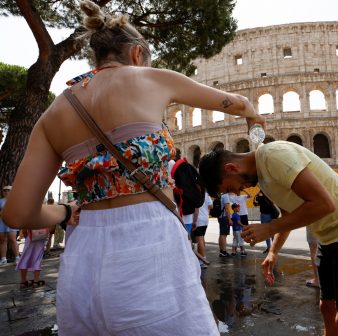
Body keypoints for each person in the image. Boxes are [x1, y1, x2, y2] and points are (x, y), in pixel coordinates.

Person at [1, 1, 264, 334]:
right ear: (138, 54)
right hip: (150, 248)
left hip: (82, 259)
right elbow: (238, 103)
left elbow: (17, 213)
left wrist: (67, 212)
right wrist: (254, 115)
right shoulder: (153, 80)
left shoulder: (54, 113)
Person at [199, 140, 338, 336]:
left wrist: (269, 228)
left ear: (231, 168)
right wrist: (273, 252)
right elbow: (288, 214)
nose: (238, 192)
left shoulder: (274, 155)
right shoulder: (264, 177)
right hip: (329, 238)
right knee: (327, 308)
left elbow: (324, 204)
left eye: (229, 188)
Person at [0, 186, 19, 265]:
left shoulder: (15, 201)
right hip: (2, 223)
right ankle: (3, 259)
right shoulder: (0, 201)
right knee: (2, 241)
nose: (6, 192)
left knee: (13, 240)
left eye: (8, 190)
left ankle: (17, 258)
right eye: (4, 190)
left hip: (12, 223)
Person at [193, 192, 213, 268]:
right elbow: (211, 206)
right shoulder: (206, 194)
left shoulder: (195, 193)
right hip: (205, 219)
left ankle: (203, 260)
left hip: (198, 219)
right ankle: (201, 258)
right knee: (202, 238)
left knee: (199, 240)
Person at [217, 192, 233, 257]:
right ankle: (224, 251)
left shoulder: (220, 195)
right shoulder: (225, 196)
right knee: (224, 235)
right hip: (224, 217)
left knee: (221, 234)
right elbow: (227, 209)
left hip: (220, 217)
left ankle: (221, 251)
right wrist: (229, 219)